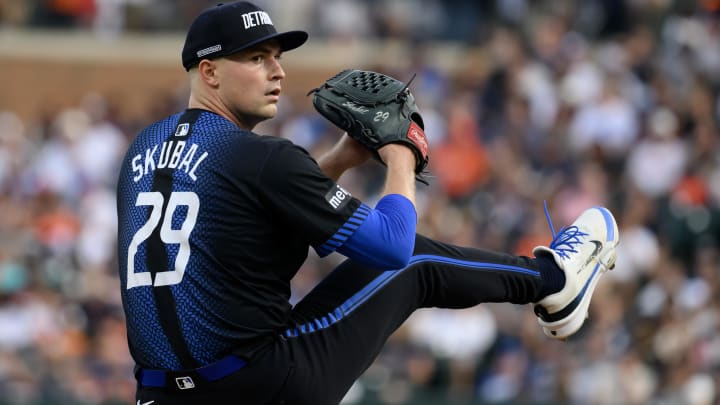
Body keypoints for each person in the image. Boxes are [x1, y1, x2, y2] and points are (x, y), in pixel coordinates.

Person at [116, 2, 620, 404]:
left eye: (277, 57)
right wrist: (399, 156)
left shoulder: (140, 153)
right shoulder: (263, 157)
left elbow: (255, 228)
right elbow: (393, 248)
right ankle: (555, 281)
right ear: (209, 71)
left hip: (159, 393)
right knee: (416, 263)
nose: (277, 72)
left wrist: (339, 159)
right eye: (256, 58)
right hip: (262, 383)